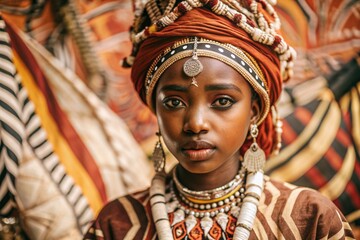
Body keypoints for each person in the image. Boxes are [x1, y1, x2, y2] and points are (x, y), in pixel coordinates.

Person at [84, 0, 355, 239]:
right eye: (174, 103)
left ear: (255, 111)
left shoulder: (309, 218)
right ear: (156, 110)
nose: (195, 123)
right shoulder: (116, 225)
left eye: (222, 102)